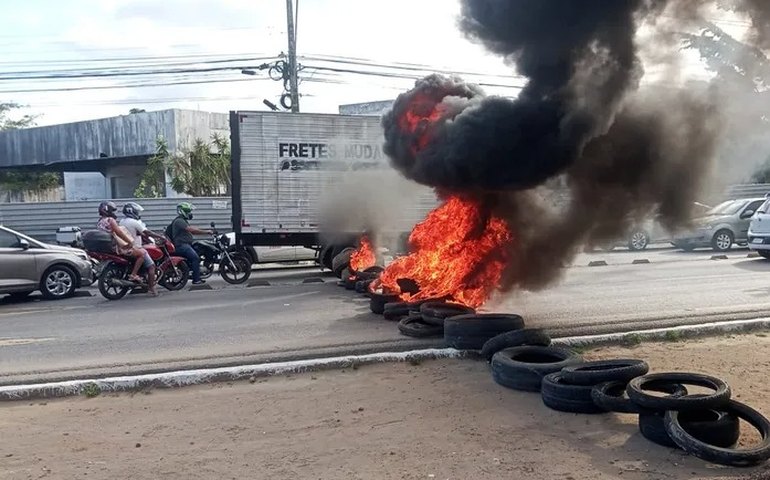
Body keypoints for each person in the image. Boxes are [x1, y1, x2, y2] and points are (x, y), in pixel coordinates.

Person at [96, 201, 147, 287]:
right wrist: (129, 241)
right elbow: (118, 232)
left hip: (108, 247)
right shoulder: (110, 220)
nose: (115, 213)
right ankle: (133, 274)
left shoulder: (100, 221)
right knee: (142, 254)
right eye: (113, 211)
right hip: (117, 247)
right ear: (108, 211)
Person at [120, 202, 164, 297]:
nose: (138, 214)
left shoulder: (122, 221)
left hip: (125, 247)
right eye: (137, 212)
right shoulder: (134, 222)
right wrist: (160, 236)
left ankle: (138, 276)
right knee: (151, 266)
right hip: (135, 247)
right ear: (132, 211)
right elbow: (147, 232)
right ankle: (151, 288)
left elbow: (137, 233)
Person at [169, 202, 211, 285]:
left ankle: (195, 271)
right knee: (195, 258)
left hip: (185, 244)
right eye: (188, 212)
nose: (190, 214)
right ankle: (196, 279)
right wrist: (207, 232)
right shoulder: (179, 221)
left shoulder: (183, 221)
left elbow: (192, 230)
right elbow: (192, 230)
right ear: (183, 212)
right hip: (181, 245)